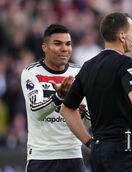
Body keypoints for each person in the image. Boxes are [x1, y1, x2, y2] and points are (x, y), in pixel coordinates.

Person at [60, 12, 132, 172]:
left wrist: (89, 142)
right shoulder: (125, 63)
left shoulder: (88, 66)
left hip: (98, 151)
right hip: (123, 150)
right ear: (121, 36)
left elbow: (66, 109)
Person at [21, 24, 90, 172]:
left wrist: (81, 111)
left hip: (73, 155)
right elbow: (37, 111)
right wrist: (59, 96)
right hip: (42, 157)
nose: (64, 49)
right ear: (45, 47)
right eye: (58, 43)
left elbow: (88, 122)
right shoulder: (31, 73)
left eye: (68, 44)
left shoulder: (78, 72)